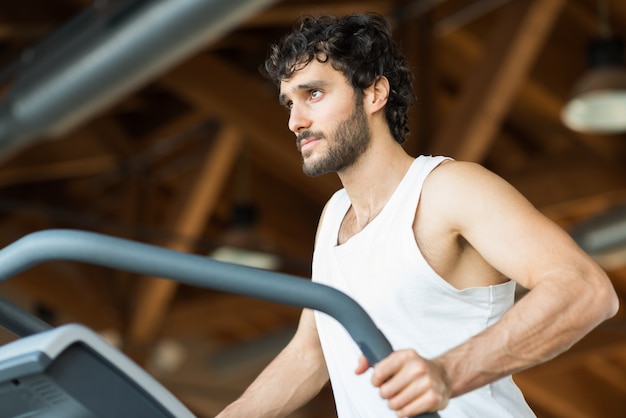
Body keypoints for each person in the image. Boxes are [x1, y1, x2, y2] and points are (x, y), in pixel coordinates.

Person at [216, 13, 618, 418]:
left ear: (374, 94)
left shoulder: (447, 189)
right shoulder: (333, 218)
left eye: (313, 94)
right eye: (290, 102)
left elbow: (584, 290)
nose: (294, 121)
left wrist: (446, 372)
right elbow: (310, 352)